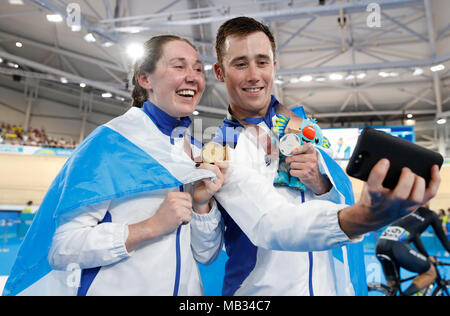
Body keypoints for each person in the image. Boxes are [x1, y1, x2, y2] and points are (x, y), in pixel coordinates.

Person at [211, 16, 441, 296]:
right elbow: (270, 224)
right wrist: (363, 217)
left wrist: (322, 184)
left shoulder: (302, 125)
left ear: (274, 65)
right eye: (240, 64)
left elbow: (337, 197)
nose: (254, 75)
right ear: (220, 72)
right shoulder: (219, 148)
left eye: (262, 61)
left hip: (329, 287)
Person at [3, 35, 225, 296]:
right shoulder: (108, 143)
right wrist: (150, 227)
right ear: (145, 79)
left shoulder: (197, 154)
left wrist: (201, 206)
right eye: (179, 66)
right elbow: (62, 249)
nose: (193, 77)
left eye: (198, 69)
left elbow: (207, 254)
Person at [376, 204, 450, 296]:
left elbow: (415, 237)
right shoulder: (431, 215)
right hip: (397, 247)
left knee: (392, 288)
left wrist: (426, 256)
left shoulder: (408, 210)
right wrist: (427, 257)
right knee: (431, 273)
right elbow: (443, 239)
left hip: (380, 246)